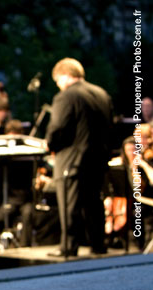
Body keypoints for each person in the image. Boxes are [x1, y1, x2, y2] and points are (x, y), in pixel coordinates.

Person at [46, 57, 113, 257]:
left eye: (58, 81)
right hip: (98, 158)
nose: (58, 86)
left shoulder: (67, 96)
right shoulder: (102, 94)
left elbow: (57, 127)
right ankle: (98, 245)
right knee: (94, 202)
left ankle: (68, 247)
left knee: (69, 204)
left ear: (65, 76)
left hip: (72, 159)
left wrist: (50, 144)